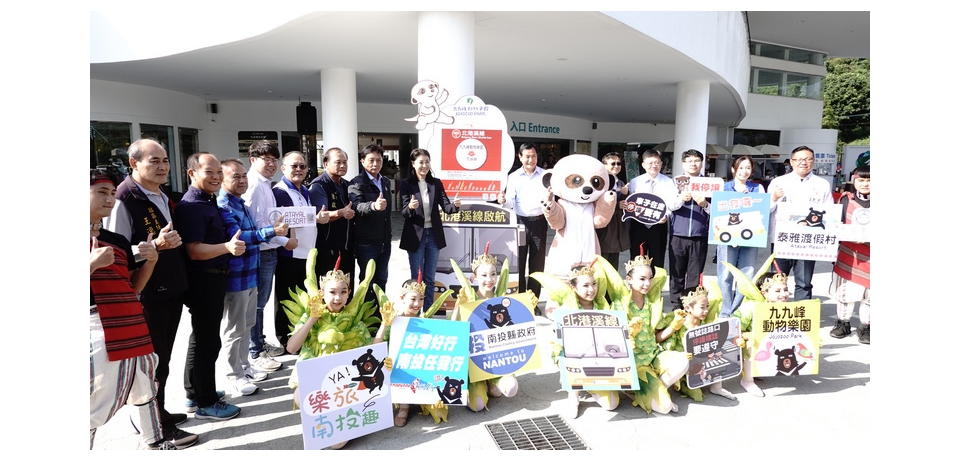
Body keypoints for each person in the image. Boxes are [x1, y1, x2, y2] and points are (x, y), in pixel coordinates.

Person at [104, 138, 195, 444]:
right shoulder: (123, 198)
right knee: (151, 366)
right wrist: (155, 245)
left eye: (165, 160)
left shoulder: (160, 195)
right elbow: (115, 251)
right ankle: (153, 426)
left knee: (162, 361)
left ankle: (160, 413)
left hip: (169, 289)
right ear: (134, 163)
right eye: (154, 160)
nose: (162, 166)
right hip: (147, 292)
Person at [285, 255, 381, 450]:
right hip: (317, 383)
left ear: (349, 293)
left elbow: (373, 351)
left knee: (336, 445)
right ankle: (318, 420)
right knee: (299, 395)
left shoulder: (355, 321)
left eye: (343, 292)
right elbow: (291, 348)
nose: (338, 298)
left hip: (345, 386)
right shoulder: (311, 315)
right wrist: (312, 319)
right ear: (322, 293)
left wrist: (385, 324)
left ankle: (346, 421)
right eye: (332, 292)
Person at [175, 152, 243, 420]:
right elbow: (194, 250)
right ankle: (206, 402)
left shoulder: (207, 199)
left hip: (213, 277)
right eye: (209, 172)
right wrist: (227, 247)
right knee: (208, 341)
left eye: (218, 172)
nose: (216, 177)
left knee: (201, 338)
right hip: (204, 279)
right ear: (192, 173)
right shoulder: (192, 205)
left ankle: (195, 393)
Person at [217, 158, 290, 396]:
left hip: (250, 274)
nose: (241, 180)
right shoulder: (224, 205)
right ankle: (234, 376)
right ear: (222, 179)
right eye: (235, 176)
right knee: (234, 329)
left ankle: (245, 367)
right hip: (236, 277)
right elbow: (239, 237)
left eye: (243, 176)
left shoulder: (240, 203)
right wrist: (272, 232)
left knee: (247, 324)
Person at [449, 247, 532, 412]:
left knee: (511, 387)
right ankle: (480, 385)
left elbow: (517, 326)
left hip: (497, 362)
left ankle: (492, 382)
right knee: (478, 405)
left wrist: (528, 308)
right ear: (474, 277)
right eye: (484, 275)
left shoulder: (502, 299)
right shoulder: (467, 299)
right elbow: (452, 330)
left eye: (493, 274)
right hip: (475, 367)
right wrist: (458, 306)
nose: (489, 279)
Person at [272, 151, 330, 348]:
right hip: (289, 254)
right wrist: (284, 241)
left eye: (302, 166)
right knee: (286, 299)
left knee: (302, 298)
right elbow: (275, 222)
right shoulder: (279, 192)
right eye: (294, 166)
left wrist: (317, 218)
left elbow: (303, 217)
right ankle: (285, 339)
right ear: (283, 169)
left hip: (307, 253)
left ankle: (300, 337)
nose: (299, 169)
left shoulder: (304, 190)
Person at [241, 140, 290, 368]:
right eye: (266, 159)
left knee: (260, 302)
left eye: (274, 159)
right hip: (260, 251)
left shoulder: (265, 184)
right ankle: (256, 351)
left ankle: (259, 342)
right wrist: (284, 240)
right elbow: (255, 224)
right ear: (253, 160)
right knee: (257, 304)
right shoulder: (254, 185)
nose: (271, 164)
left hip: (269, 249)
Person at [373, 279, 449, 427]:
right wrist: (384, 324)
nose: (417, 304)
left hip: (421, 370)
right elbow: (375, 346)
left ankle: (426, 397)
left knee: (440, 413)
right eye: (413, 299)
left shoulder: (425, 321)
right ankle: (404, 406)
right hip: (398, 371)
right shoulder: (395, 322)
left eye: (421, 299)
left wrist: (457, 307)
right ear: (402, 298)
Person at [767, 146, 833, 300]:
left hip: (807, 242)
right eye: (799, 159)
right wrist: (774, 198)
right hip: (782, 240)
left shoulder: (822, 184)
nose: (804, 162)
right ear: (791, 162)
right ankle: (775, 312)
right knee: (777, 281)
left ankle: (802, 313)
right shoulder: (778, 182)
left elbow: (829, 213)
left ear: (813, 161)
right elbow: (766, 210)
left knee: (804, 282)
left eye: (808, 159)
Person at [399, 148, 462, 308]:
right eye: (421, 162)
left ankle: (428, 313)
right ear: (413, 164)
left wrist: (455, 205)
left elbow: (446, 207)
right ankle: (415, 312)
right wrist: (410, 207)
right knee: (417, 278)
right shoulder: (406, 184)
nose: (424, 165)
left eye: (427, 162)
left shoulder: (436, 183)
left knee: (429, 278)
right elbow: (404, 212)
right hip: (415, 236)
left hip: (433, 235)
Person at [655, 281, 735, 402]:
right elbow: (658, 339)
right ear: (688, 308)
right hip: (683, 363)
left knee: (721, 350)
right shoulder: (679, 321)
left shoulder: (706, 323)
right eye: (702, 307)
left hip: (702, 362)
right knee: (696, 392)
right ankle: (662, 390)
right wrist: (673, 327)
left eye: (707, 306)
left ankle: (717, 387)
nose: (706, 310)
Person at [717, 156, 767, 318]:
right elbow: (718, 214)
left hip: (750, 238)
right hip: (727, 239)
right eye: (741, 168)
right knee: (725, 274)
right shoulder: (724, 188)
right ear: (733, 169)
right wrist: (731, 236)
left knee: (746, 275)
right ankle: (725, 311)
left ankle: (737, 310)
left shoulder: (757, 188)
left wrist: (750, 199)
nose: (744, 171)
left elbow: (763, 210)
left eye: (748, 168)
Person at [498, 143, 548, 299]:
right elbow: (510, 202)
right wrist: (503, 201)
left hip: (539, 223)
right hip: (519, 223)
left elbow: (550, 199)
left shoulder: (545, 175)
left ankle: (533, 300)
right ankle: (520, 299)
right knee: (519, 262)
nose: (530, 160)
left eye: (533, 156)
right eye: (527, 156)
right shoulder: (513, 177)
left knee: (537, 264)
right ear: (520, 157)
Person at [829, 165, 870, 344]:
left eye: (869, 180)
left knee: (870, 294)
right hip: (849, 252)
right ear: (854, 180)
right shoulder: (845, 199)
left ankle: (866, 326)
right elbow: (834, 222)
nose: (865, 184)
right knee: (845, 291)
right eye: (861, 180)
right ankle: (842, 323)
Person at [308, 147, 356, 295]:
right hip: (327, 247)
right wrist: (341, 212)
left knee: (346, 289)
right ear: (325, 163)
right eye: (338, 162)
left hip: (346, 246)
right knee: (328, 290)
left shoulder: (347, 184)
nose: (342, 165)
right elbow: (320, 215)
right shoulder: (319, 185)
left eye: (345, 162)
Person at [349, 144, 393, 305]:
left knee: (382, 280)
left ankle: (380, 316)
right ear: (362, 161)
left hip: (384, 241)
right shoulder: (356, 183)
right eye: (371, 160)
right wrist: (374, 206)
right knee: (367, 281)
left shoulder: (385, 181)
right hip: (367, 243)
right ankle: (366, 317)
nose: (375, 164)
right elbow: (357, 206)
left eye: (378, 160)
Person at [668, 149, 711, 308]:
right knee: (676, 272)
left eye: (697, 161)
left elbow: (718, 210)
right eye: (689, 161)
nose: (693, 164)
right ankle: (676, 305)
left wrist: (705, 204)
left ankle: (692, 304)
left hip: (700, 235)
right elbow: (669, 206)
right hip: (677, 234)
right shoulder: (674, 183)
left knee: (695, 273)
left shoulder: (710, 184)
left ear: (702, 163)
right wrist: (680, 199)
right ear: (683, 163)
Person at [626, 149, 681, 269]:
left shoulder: (669, 182)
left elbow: (671, 202)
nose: (654, 166)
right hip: (638, 225)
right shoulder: (635, 182)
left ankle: (656, 282)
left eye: (657, 163)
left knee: (657, 259)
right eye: (650, 163)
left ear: (661, 164)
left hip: (659, 225)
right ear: (643, 165)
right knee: (636, 259)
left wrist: (666, 215)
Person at [595, 152, 630, 268]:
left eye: (618, 163)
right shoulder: (599, 182)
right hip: (604, 227)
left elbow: (624, 203)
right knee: (602, 262)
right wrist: (617, 204)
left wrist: (626, 195)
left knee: (614, 264)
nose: (616, 166)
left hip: (617, 227)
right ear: (604, 165)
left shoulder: (620, 183)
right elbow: (597, 203)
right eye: (613, 163)